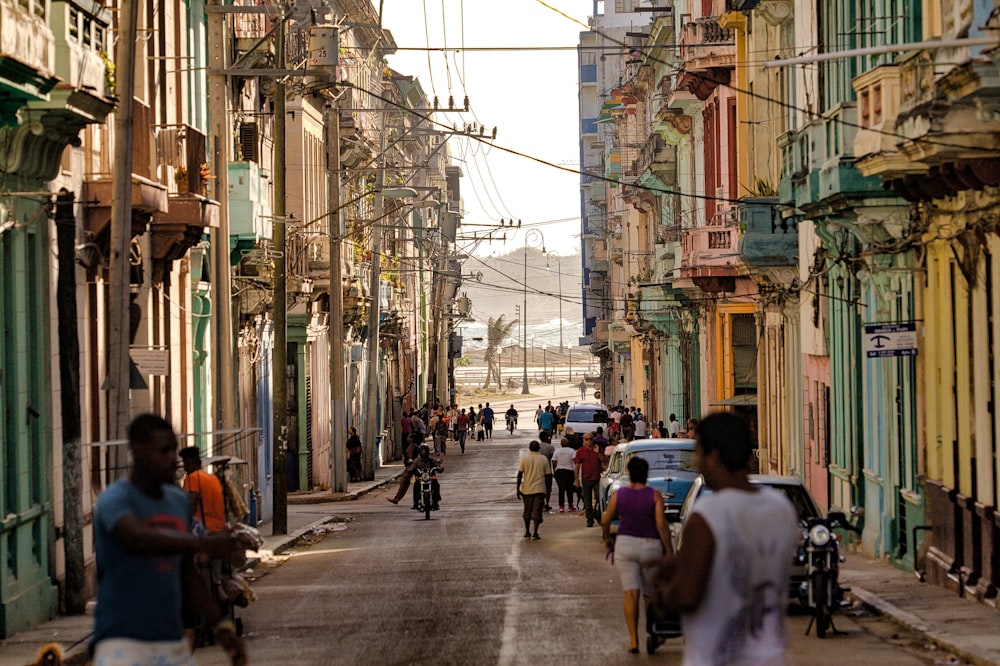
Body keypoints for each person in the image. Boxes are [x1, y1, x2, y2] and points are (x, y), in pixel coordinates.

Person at [92, 414, 250, 665]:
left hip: (171, 641)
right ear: (138, 451)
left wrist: (220, 625)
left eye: (173, 450)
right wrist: (204, 543)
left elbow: (186, 572)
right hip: (122, 641)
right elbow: (136, 538)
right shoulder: (115, 500)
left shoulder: (177, 502)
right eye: (163, 451)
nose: (172, 459)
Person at [653, 412, 799, 665]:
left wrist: (663, 592)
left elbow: (687, 594)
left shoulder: (708, 514)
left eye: (699, 453)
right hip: (771, 657)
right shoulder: (781, 508)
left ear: (714, 457)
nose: (697, 463)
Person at [601, 456, 674, 654]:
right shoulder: (654, 495)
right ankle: (653, 632)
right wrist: (669, 550)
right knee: (650, 595)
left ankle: (634, 641)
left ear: (630, 474)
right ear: (646, 474)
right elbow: (661, 525)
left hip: (625, 545)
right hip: (650, 546)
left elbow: (605, 519)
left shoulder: (620, 495)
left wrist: (607, 538)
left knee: (631, 594)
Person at [387, 445, 443, 509]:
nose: (424, 453)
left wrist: (439, 468)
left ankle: (436, 501)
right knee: (416, 487)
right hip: (420, 479)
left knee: (436, 485)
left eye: (425, 451)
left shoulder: (431, 460)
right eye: (422, 451)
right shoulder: (417, 461)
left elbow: (438, 466)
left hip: (430, 478)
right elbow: (412, 467)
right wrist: (411, 469)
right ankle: (416, 502)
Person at [516, 440, 551, 540]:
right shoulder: (543, 459)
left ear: (529, 448)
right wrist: (548, 489)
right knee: (537, 511)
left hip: (527, 489)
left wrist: (518, 488)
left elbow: (520, 474)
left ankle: (527, 531)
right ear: (538, 448)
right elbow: (548, 475)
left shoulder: (525, 459)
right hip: (539, 489)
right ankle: (535, 532)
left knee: (527, 511)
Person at [574, 433, 603, 527]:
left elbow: (604, 460)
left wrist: (598, 452)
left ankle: (597, 514)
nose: (589, 441)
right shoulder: (580, 451)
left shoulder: (597, 449)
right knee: (587, 500)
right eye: (587, 439)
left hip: (597, 478)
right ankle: (590, 518)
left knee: (599, 498)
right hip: (586, 479)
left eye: (590, 439)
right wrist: (576, 480)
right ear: (584, 440)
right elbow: (577, 466)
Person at [551, 437, 577, 513]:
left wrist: (554, 471)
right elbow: (574, 461)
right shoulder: (572, 451)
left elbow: (554, 461)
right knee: (569, 489)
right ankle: (570, 506)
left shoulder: (557, 451)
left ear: (561, 444)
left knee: (561, 489)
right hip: (569, 471)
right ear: (568, 443)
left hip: (559, 471)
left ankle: (561, 507)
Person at [538, 430, 556, 512]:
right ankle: (546, 504)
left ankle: (541, 504)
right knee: (548, 488)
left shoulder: (537, 447)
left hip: (538, 471)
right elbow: (553, 461)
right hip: (547, 471)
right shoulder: (550, 447)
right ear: (546, 438)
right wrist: (554, 471)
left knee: (540, 488)